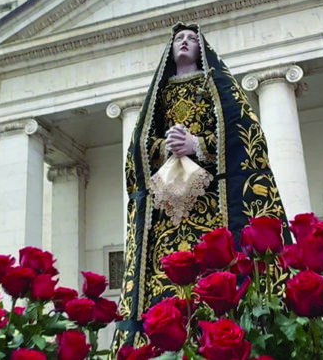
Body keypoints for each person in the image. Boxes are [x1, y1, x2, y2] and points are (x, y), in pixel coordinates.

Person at [114, 23, 288, 348]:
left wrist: (196, 144)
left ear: (201, 48)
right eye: (179, 39)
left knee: (212, 264)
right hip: (168, 198)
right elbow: (140, 145)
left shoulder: (213, 87)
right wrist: (166, 148)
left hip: (210, 200)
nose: (184, 42)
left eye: (192, 39)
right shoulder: (161, 95)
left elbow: (241, 132)